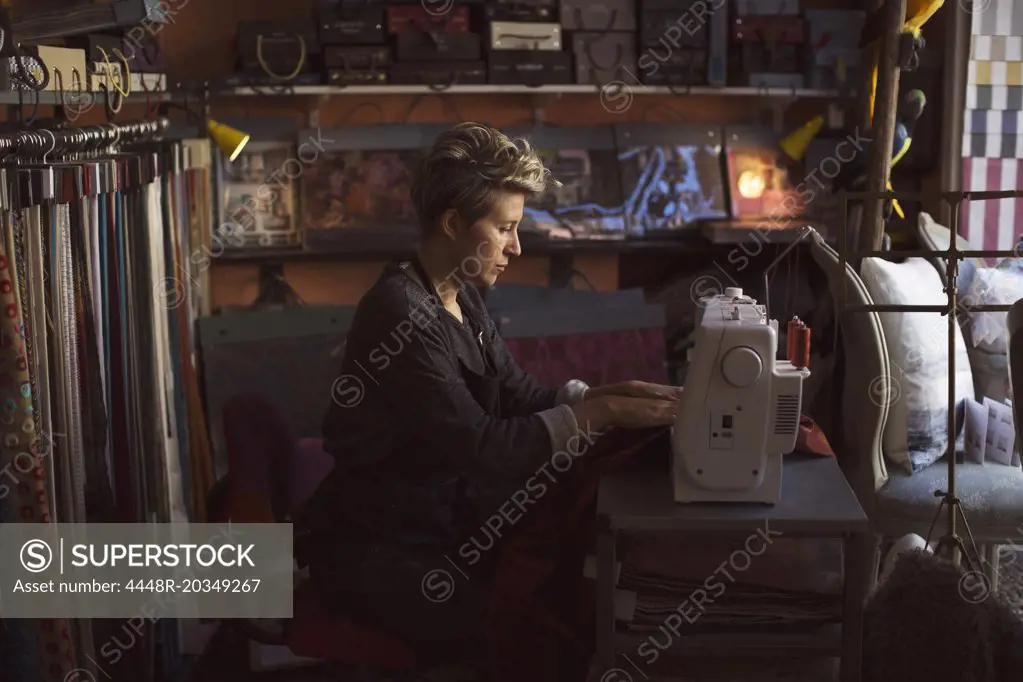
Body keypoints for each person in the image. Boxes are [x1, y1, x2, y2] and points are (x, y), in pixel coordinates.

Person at [298, 122, 679, 657]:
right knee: (537, 624)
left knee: (562, 579)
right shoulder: (401, 313)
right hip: (386, 554)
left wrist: (605, 395)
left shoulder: (459, 293)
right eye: (504, 229)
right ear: (453, 223)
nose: (516, 248)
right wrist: (604, 412)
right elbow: (480, 448)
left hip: (436, 529)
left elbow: (517, 395)